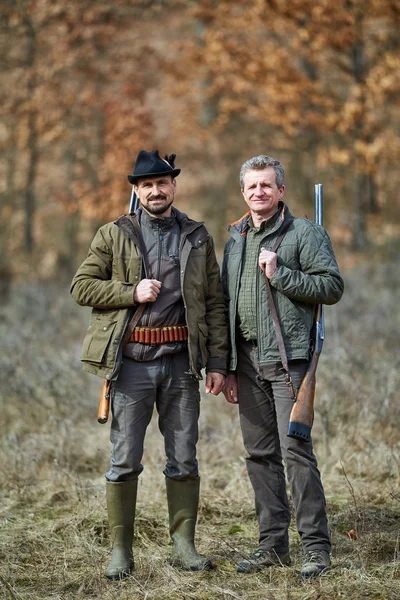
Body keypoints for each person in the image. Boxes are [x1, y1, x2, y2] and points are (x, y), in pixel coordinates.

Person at [71, 149, 227, 579]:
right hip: (132, 366)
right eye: (146, 185)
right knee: (124, 461)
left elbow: (214, 303)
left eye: (162, 183)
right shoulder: (112, 234)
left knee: (184, 459)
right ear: (136, 191)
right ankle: (121, 552)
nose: (155, 191)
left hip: (181, 365)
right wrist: (130, 291)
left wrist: (216, 361)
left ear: (174, 186)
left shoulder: (197, 235)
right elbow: (81, 287)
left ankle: (184, 546)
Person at [222, 155, 344, 578]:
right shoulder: (235, 239)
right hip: (247, 362)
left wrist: (282, 274)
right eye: (252, 186)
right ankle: (272, 547)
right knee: (259, 455)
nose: (259, 192)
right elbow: (227, 305)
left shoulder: (304, 233)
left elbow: (331, 287)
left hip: (289, 361)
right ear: (243, 192)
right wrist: (226, 365)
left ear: (281, 191)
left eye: (267, 186)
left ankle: (316, 548)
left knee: (295, 453)